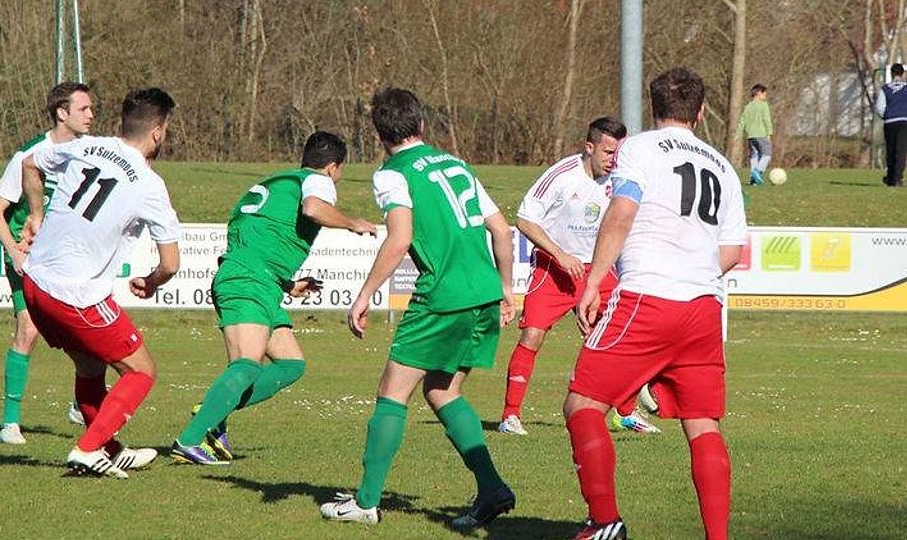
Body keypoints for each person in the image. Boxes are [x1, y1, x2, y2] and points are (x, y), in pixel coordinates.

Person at [319, 88, 516, 529]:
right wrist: (506, 287)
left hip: (442, 297)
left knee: (393, 392)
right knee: (443, 390)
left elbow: (400, 238)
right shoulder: (456, 165)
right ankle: (492, 488)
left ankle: (366, 502)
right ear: (421, 125)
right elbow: (501, 231)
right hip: (483, 293)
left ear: (378, 134)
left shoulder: (392, 174)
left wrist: (365, 293)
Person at [563, 67, 747, 540]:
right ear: (701, 112)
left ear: (653, 108)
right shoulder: (723, 166)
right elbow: (730, 251)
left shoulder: (640, 148)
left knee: (583, 401)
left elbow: (622, 213)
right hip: (705, 306)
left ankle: (604, 521)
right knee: (703, 424)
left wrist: (593, 283)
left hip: (648, 298)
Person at [170, 131, 377, 465]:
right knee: (247, 365)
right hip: (248, 281)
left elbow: (259, 237)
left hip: (260, 281)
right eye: (340, 172)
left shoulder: (275, 184)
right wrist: (352, 222)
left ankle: (214, 413)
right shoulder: (317, 182)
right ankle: (190, 439)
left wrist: (287, 284)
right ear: (333, 168)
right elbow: (313, 208)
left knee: (291, 365)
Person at [20, 87, 182, 478]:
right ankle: (88, 449)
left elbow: (29, 163)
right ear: (158, 132)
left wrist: (36, 214)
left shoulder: (85, 146)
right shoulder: (148, 184)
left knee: (90, 366)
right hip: (75, 294)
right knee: (141, 371)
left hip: (35, 284)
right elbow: (171, 263)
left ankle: (109, 448)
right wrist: (154, 280)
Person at [498, 117, 658, 437]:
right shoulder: (561, 175)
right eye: (608, 152)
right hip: (553, 269)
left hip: (597, 271)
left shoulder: (621, 179)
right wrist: (559, 254)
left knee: (615, 340)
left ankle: (624, 413)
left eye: (618, 152)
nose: (614, 159)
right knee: (533, 336)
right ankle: (511, 415)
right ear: (589, 147)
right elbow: (526, 220)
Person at [0, 82, 94, 444]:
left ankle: (83, 402)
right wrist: (14, 251)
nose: (92, 115)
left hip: (65, 260)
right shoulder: (29, 155)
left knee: (88, 333)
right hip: (27, 258)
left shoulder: (90, 154)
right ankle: (9, 422)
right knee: (28, 330)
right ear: (62, 113)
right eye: (84, 109)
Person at [735, 83, 773, 186]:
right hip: (761, 134)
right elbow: (766, 119)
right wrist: (769, 133)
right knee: (767, 154)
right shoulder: (763, 105)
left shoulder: (748, 107)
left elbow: (742, 122)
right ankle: (758, 171)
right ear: (759, 93)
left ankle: (753, 180)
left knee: (754, 156)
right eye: (764, 94)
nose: (765, 97)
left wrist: (737, 136)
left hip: (751, 136)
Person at [875, 64, 907, 187]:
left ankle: (890, 178)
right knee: (901, 151)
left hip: (890, 123)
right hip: (904, 122)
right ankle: (897, 179)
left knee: (890, 150)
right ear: (903, 74)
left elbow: (879, 107)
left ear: (891, 74)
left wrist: (886, 116)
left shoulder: (885, 88)